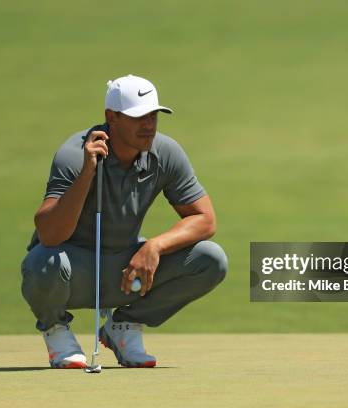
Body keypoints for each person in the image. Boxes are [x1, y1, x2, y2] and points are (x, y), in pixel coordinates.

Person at [20, 74, 228, 368]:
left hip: (125, 272)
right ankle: (56, 332)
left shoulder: (165, 152)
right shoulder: (74, 153)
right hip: (72, 273)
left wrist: (154, 246)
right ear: (111, 117)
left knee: (211, 259)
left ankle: (123, 326)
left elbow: (205, 219)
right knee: (42, 262)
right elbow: (50, 234)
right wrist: (87, 174)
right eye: (138, 116)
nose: (149, 125)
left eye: (154, 115)